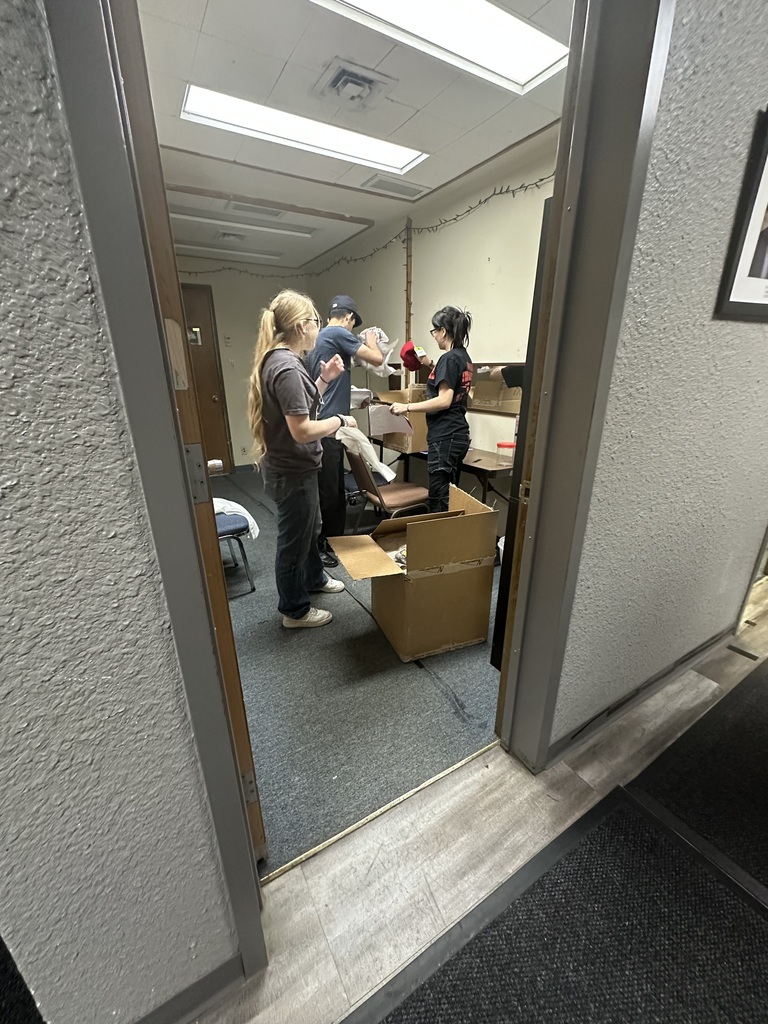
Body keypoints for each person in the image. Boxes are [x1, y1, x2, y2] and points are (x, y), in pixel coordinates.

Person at [248, 289, 357, 629]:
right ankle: (294, 611)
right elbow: (302, 429)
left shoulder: (286, 362)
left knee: (310, 530)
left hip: (294, 468)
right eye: (315, 322)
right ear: (300, 325)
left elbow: (300, 406)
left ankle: (314, 579)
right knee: (294, 540)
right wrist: (340, 421)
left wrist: (324, 380)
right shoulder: (286, 367)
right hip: (292, 470)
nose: (318, 328)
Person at [306, 295, 384, 566]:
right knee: (332, 488)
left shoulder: (318, 338)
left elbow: (325, 382)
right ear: (349, 317)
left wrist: (352, 401)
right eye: (353, 323)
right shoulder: (338, 332)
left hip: (320, 420)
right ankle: (328, 543)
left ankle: (323, 540)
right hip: (331, 427)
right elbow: (375, 358)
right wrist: (371, 339)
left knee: (325, 485)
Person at [391, 306, 473, 513]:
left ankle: (439, 542)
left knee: (439, 498)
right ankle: (449, 540)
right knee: (450, 493)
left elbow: (444, 400)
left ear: (443, 331)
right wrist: (429, 364)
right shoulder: (463, 357)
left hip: (445, 435)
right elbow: (455, 386)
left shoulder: (449, 359)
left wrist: (406, 407)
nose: (434, 336)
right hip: (458, 434)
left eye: (434, 332)